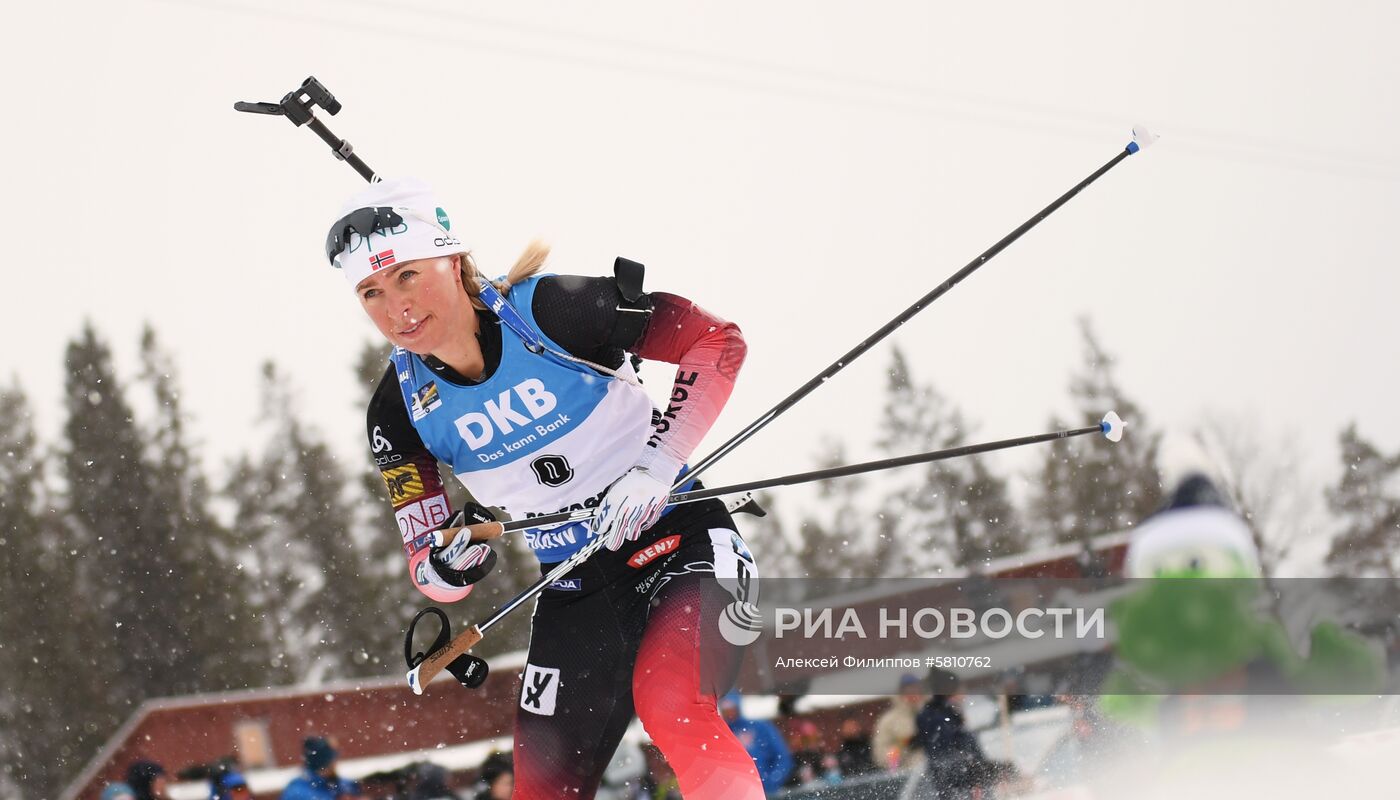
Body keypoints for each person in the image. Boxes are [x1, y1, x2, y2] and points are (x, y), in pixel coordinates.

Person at [338, 178, 761, 798]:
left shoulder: (549, 312)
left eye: (408, 276)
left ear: (454, 264)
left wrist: (658, 463)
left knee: (672, 705)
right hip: (575, 586)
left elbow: (716, 340)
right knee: (540, 788)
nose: (395, 307)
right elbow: (427, 570)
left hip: (684, 545)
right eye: (371, 291)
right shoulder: (398, 412)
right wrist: (451, 562)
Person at [718, 692, 793, 793]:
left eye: (731, 708)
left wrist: (773, 780)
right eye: (725, 710)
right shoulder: (720, 733)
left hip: (769, 790)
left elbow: (782, 756)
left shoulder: (760, 727)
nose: (729, 713)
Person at [872, 674, 927, 770]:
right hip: (909, 774)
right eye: (908, 691)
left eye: (916, 689)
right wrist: (905, 748)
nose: (913, 694)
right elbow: (881, 753)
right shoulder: (890, 721)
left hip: (940, 769)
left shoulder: (934, 712)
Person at [280, 736, 361, 800]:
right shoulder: (298, 793)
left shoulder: (343, 785)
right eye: (334, 761)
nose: (336, 764)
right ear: (325, 765)